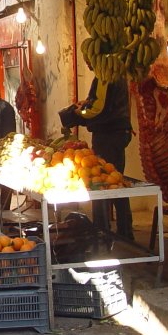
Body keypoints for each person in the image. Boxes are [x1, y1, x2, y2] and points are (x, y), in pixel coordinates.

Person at [59, 73, 133, 238]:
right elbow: (101, 103)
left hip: (108, 134)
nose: (88, 62)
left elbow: (98, 108)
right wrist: (85, 104)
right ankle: (124, 230)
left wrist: (80, 112)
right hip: (118, 132)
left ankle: (102, 229)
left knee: (100, 181)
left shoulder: (104, 75)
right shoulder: (116, 74)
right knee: (115, 180)